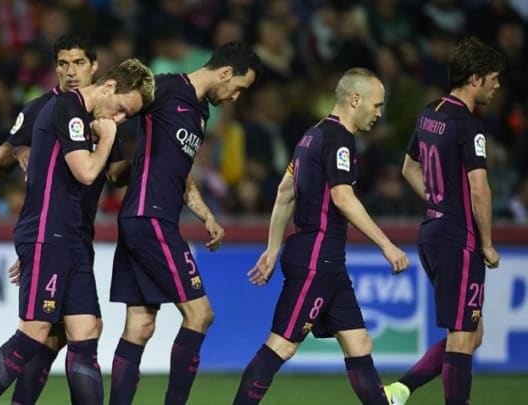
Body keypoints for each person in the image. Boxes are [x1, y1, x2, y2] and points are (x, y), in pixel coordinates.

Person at [0, 58, 155, 405]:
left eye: (127, 117)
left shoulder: (86, 117)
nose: (119, 119)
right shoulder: (66, 108)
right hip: (48, 235)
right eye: (122, 110)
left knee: (86, 332)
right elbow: (85, 172)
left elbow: (109, 175)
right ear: (110, 87)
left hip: (73, 240)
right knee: (34, 333)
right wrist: (110, 137)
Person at [232, 67, 409, 405]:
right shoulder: (339, 139)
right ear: (355, 99)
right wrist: (386, 244)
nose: (379, 113)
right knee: (280, 346)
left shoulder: (310, 136)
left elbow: (285, 192)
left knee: (359, 345)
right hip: (316, 259)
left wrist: (272, 250)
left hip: (326, 263)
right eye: (377, 104)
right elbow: (343, 198)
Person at [108, 41, 261, 405]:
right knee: (201, 314)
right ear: (225, 73)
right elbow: (108, 108)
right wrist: (114, 163)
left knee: (141, 326)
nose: (236, 97)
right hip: (150, 218)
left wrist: (206, 213)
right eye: (238, 88)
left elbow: (181, 174)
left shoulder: (201, 113)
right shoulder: (163, 87)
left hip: (146, 219)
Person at [385, 36, 503, 405]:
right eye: (493, 78)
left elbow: (408, 167)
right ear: (474, 78)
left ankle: (400, 390)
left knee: (470, 332)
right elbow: (479, 188)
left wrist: (436, 200)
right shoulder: (470, 127)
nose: (498, 86)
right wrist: (485, 242)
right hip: (460, 238)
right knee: (464, 335)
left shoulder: (428, 113)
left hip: (432, 233)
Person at [0, 34, 99, 176]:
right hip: (47, 197)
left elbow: (115, 172)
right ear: (56, 68)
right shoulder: (39, 107)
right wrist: (18, 150)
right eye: (63, 64)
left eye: (79, 63)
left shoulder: (105, 108)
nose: (70, 72)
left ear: (94, 65)